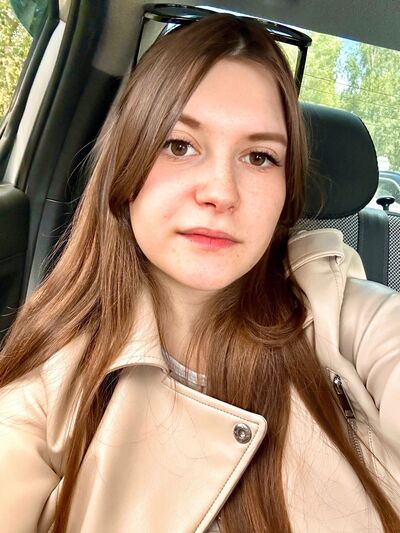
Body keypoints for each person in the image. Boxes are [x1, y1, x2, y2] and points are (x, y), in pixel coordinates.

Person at [0, 12, 399, 533]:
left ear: (286, 192)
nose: (221, 192)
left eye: (259, 157)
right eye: (179, 145)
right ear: (126, 162)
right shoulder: (47, 387)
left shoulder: (352, 318)